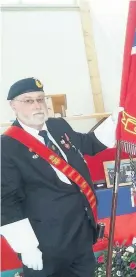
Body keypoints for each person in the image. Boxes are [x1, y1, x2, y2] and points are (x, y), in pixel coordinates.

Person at [0, 77, 123, 277]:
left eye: (41, 99)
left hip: (81, 232)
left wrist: (114, 122)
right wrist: (26, 247)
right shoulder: (6, 146)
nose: (38, 106)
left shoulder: (58, 126)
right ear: (13, 106)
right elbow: (6, 200)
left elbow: (88, 143)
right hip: (46, 244)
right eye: (28, 101)